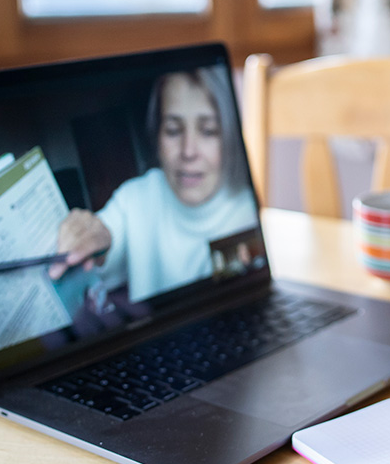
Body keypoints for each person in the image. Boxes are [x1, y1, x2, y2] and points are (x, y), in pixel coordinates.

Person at [48, 67, 258, 302]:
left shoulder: (252, 210)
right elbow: (104, 235)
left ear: (229, 136)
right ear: (156, 137)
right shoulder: (134, 198)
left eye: (208, 131)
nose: (188, 151)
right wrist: (92, 237)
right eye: (173, 130)